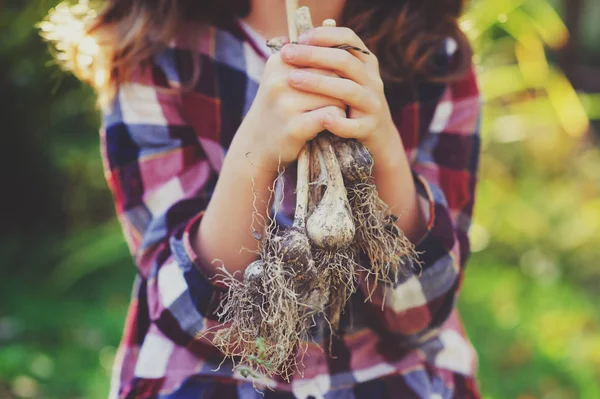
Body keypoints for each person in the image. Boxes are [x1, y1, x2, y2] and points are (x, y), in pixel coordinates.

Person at [44, 0, 482, 397]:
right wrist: (253, 156)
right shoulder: (152, 53)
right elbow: (194, 321)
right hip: (217, 375)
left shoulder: (436, 54)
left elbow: (421, 312)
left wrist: (381, 146)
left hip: (392, 373)